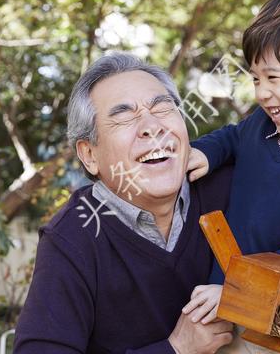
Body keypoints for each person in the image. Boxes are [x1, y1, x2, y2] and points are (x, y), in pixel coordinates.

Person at [13, 52, 234, 354]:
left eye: (163, 108)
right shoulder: (74, 237)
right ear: (90, 154)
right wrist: (176, 349)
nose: (152, 127)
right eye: (124, 116)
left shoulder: (227, 186)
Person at [182, 0, 280, 333]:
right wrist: (206, 152)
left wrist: (236, 294)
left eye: (273, 77)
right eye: (255, 78)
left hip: (274, 320)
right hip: (219, 294)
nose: (261, 92)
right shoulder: (261, 125)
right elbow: (233, 135)